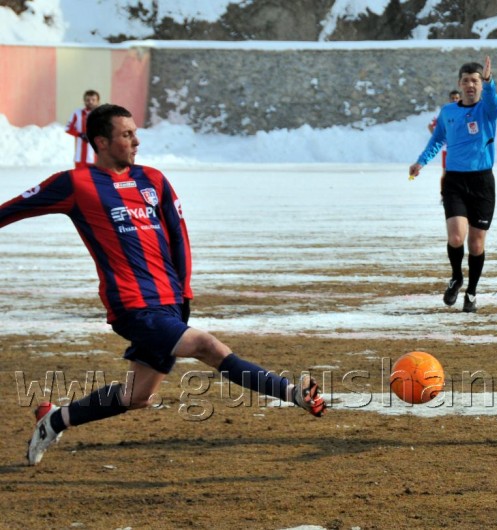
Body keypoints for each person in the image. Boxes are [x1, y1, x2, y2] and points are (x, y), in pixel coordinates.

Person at [1, 104, 326, 466]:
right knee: (207, 346)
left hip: (170, 302)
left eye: (135, 132)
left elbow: (179, 237)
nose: (136, 141)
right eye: (126, 135)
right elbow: (12, 209)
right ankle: (293, 392)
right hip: (131, 306)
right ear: (102, 142)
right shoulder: (75, 183)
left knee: (138, 396)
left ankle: (54, 419)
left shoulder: (153, 180)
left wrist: (183, 293)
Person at [409, 57, 497, 314]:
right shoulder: (448, 112)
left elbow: (495, 102)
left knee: (476, 244)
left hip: (482, 182)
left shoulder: (487, 109)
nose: (470, 85)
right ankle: (455, 277)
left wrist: (490, 81)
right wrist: (421, 162)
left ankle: (471, 292)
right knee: (456, 237)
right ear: (459, 84)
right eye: (466, 81)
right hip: (455, 181)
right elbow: (437, 139)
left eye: (475, 80)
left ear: (480, 84)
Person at [428, 89, 463, 201]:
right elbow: (431, 126)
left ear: (460, 99)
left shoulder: (463, 111)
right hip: (447, 150)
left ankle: (460, 194)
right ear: (449, 99)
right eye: (453, 98)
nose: (455, 100)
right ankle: (443, 194)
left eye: (456, 98)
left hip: (460, 149)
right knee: (446, 172)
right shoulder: (445, 112)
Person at [65, 89, 100, 168]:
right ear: (84, 101)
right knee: (79, 179)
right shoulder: (77, 113)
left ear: (98, 101)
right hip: (80, 157)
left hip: (97, 157)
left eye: (93, 100)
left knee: (95, 179)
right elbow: (67, 128)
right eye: (88, 100)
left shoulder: (102, 115)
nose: (90, 102)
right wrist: (80, 134)